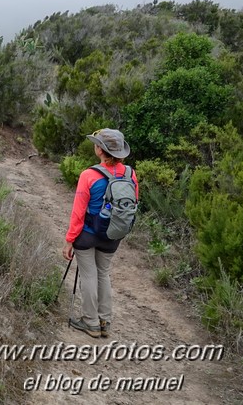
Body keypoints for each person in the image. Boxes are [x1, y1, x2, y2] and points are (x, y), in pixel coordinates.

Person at [62, 128, 139, 338]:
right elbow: (132, 204)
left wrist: (69, 240)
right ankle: (105, 321)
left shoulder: (88, 175)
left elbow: (78, 212)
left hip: (88, 234)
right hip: (113, 234)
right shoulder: (130, 174)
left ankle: (90, 322)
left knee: (89, 274)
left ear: (100, 150)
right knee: (103, 273)